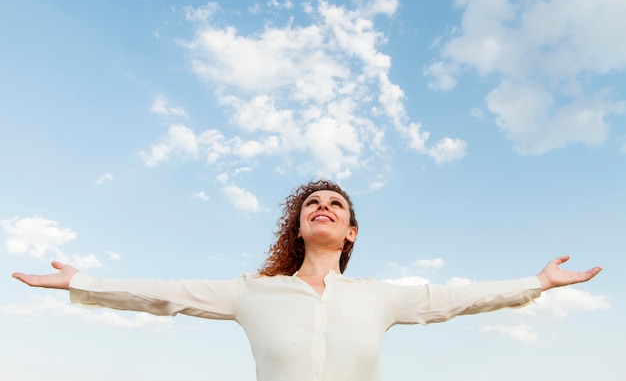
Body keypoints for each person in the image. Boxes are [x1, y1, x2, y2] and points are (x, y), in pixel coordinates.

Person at [12, 179, 602, 381]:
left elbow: (454, 300)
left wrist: (537, 283)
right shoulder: (252, 292)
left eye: (336, 206)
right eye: (313, 203)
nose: (323, 207)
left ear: (350, 234)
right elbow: (167, 294)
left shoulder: (379, 297)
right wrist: (80, 281)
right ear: (298, 226)